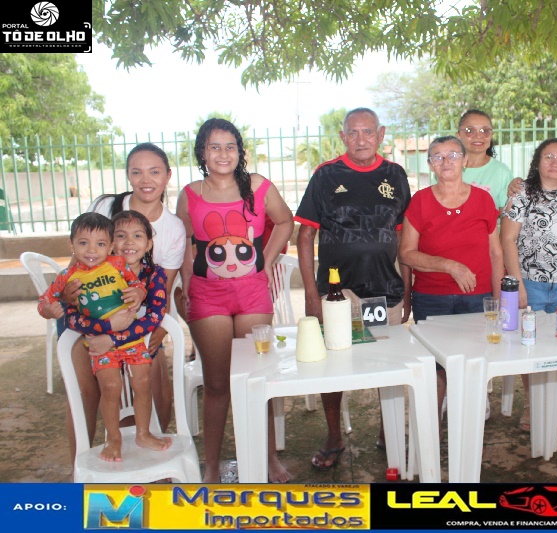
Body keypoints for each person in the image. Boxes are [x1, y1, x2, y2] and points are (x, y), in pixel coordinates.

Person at [176, 118, 294, 483]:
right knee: (216, 384)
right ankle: (212, 465)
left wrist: (267, 261)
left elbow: (286, 221)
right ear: (202, 153)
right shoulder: (189, 194)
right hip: (207, 297)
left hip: (253, 295)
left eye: (230, 147)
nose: (223, 154)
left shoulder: (258, 186)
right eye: (214, 147)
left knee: (259, 379)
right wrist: (186, 284)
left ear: (240, 152)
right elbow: (183, 243)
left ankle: (268, 457)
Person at [294, 107, 411, 470]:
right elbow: (305, 236)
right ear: (343, 137)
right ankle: (334, 435)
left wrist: (408, 290)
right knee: (332, 366)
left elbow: (404, 237)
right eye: (353, 133)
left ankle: (388, 431)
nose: (361, 139)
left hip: (384, 291)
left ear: (381, 134)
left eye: (368, 132)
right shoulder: (326, 175)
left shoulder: (396, 174)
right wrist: (311, 296)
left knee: (389, 364)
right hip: (337, 293)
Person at [55, 143, 186, 464]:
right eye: (137, 172)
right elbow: (77, 264)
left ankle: (150, 457)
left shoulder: (172, 229)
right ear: (128, 175)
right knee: (88, 389)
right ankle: (80, 468)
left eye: (154, 171)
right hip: (86, 314)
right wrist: (67, 299)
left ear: (168, 176)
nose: (146, 180)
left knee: (154, 380)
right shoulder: (105, 206)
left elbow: (162, 292)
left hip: (137, 320)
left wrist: (156, 330)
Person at [38, 212, 164, 461]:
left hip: (132, 341)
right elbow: (45, 302)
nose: (91, 250)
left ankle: (143, 433)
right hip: (100, 345)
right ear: (71, 244)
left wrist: (139, 293)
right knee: (111, 387)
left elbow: (137, 284)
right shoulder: (67, 277)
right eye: (83, 243)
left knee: (142, 382)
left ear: (109, 246)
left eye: (100, 244)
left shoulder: (117, 265)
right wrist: (50, 310)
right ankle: (113, 439)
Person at [399, 135, 504, 423]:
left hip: (477, 297)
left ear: (465, 161)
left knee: (474, 360)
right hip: (432, 298)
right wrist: (449, 266)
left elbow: (496, 252)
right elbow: (406, 254)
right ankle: (432, 425)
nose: (446, 162)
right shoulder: (420, 201)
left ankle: (471, 418)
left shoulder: (483, 199)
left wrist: (498, 300)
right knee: (435, 367)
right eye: (438, 156)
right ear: (430, 164)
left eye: (453, 155)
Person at [500, 138, 557, 432]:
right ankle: (532, 404)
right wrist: (518, 285)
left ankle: (555, 405)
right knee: (531, 345)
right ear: (537, 161)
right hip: (531, 283)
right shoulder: (522, 192)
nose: (555, 162)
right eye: (548, 156)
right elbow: (507, 238)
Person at [447, 109, 515, 211]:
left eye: (485, 131)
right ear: (458, 135)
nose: (478, 136)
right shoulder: (446, 168)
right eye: (470, 131)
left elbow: (506, 216)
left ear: (491, 135)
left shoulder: (501, 172)